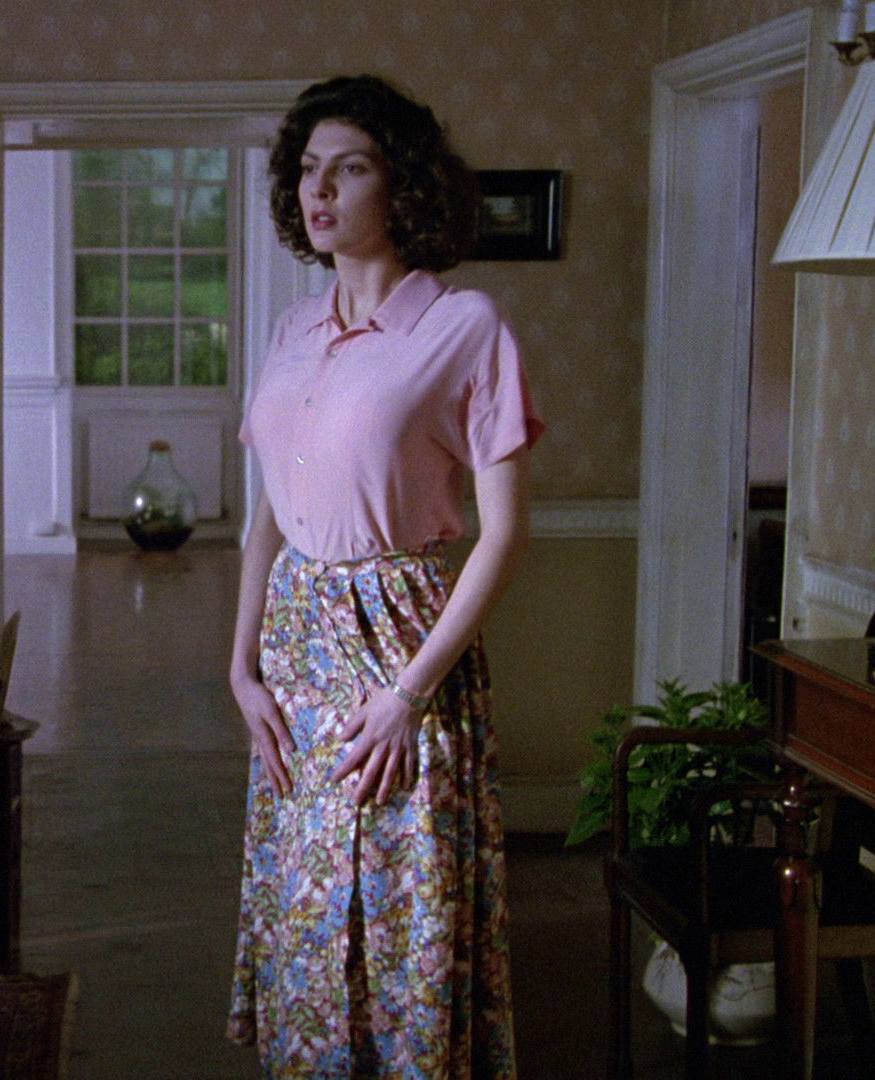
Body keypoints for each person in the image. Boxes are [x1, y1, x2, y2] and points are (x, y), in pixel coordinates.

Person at [226, 74, 542, 1078]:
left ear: (401, 183)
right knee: (306, 904)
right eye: (307, 170)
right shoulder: (292, 330)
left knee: (401, 901)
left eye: (350, 168)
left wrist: (410, 693)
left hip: (397, 656)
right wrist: (240, 668)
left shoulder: (464, 326)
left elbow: (504, 534)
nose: (320, 190)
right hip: (293, 661)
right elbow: (268, 515)